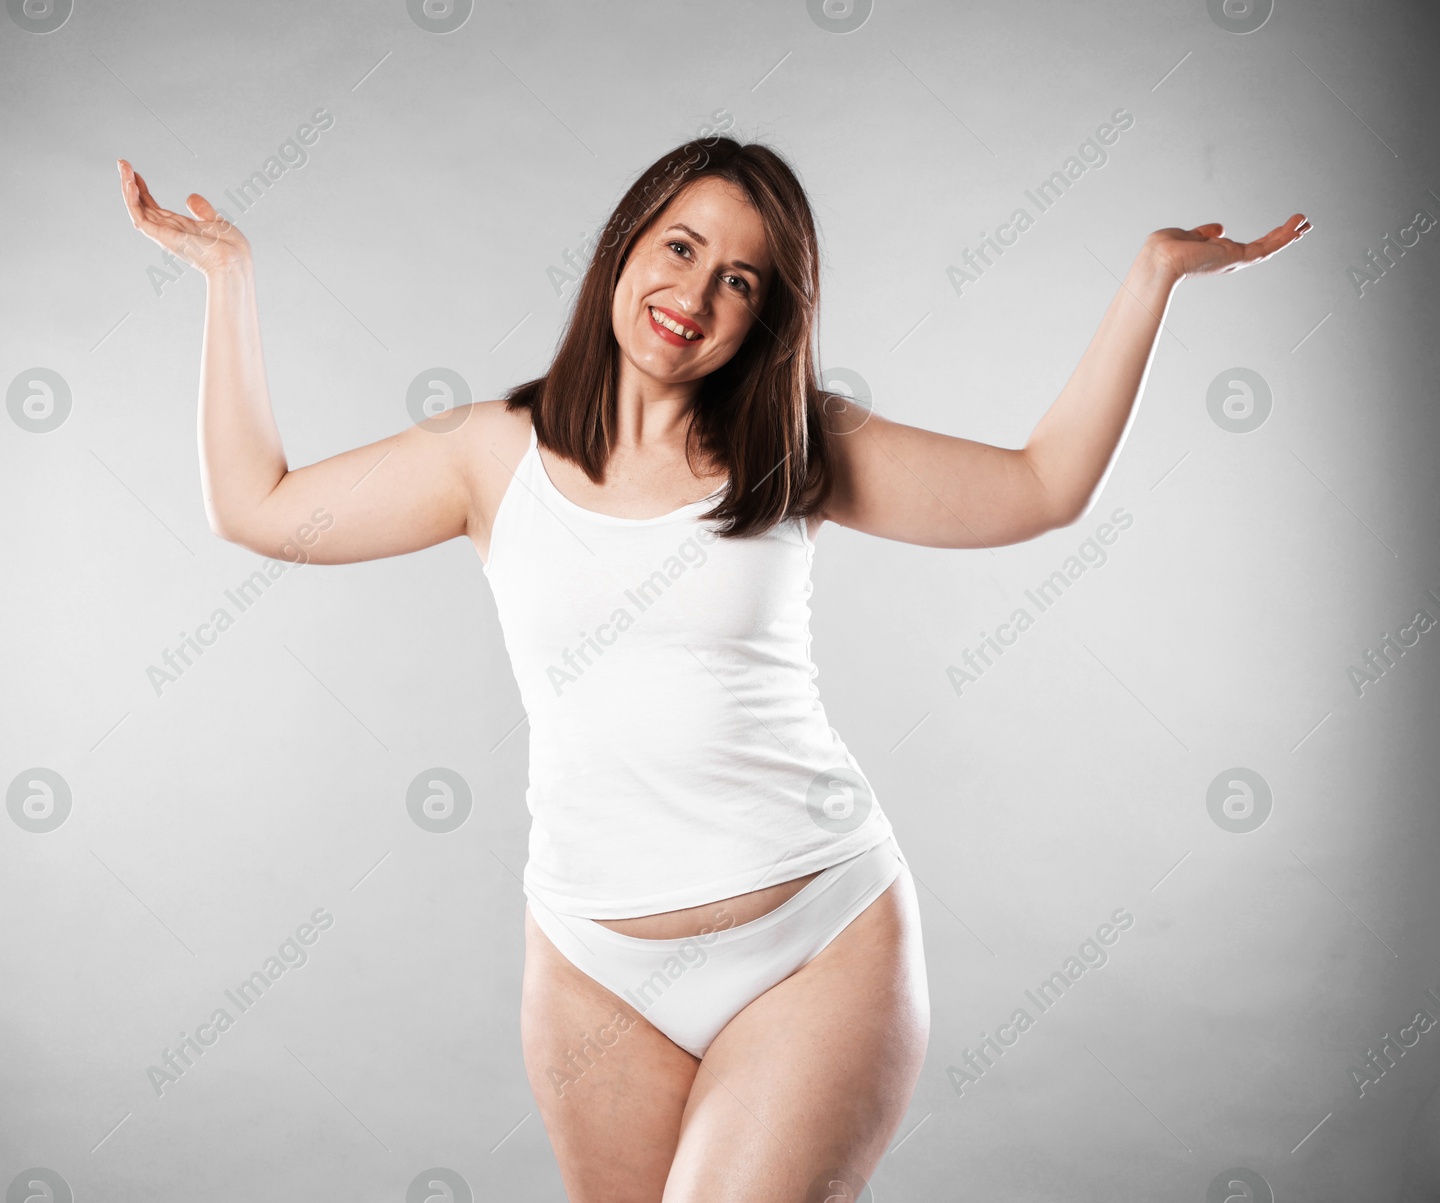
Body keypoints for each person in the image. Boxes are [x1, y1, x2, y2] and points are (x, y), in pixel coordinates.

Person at [117, 138, 1308, 1202]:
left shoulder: (795, 447)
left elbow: (1040, 489)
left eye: (738, 279)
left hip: (813, 939)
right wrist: (230, 281)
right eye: (679, 247)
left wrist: (1150, 279)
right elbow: (259, 508)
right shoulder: (489, 456)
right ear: (623, 248)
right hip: (592, 966)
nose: (692, 294)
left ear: (766, 316)